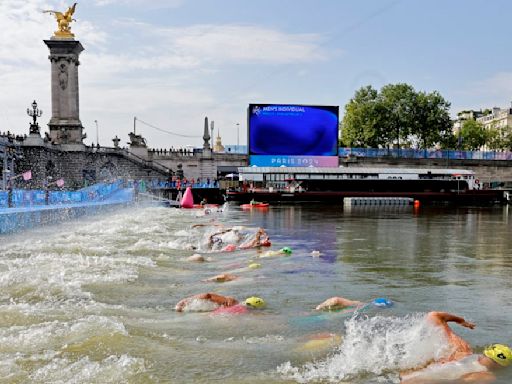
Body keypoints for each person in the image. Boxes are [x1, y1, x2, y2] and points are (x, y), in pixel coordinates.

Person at [400, 311, 512, 383]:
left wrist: (461, 321)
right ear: (500, 366)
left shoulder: (462, 350)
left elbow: (434, 315)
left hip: (403, 374)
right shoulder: (486, 376)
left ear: (485, 352)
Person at [175, 293, 265, 314]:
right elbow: (208, 295)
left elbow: (207, 295)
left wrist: (185, 300)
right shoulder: (243, 311)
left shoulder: (232, 302)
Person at [315, 296, 393, 311]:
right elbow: (336, 299)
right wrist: (320, 307)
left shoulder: (362, 305)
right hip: (328, 307)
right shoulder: (359, 305)